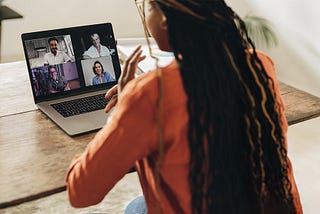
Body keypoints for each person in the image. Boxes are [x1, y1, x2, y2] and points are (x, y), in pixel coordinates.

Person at [66, 0, 303, 213]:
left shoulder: (150, 94)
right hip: (269, 206)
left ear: (165, 20)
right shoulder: (260, 65)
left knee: (133, 209)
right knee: (137, 206)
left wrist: (122, 110)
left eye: (145, 8)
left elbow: (81, 192)